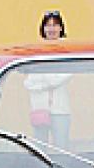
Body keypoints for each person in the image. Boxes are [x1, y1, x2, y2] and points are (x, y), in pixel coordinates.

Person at [24, 10, 72, 147]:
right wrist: (48, 79)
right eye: (48, 25)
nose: (51, 29)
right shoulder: (37, 50)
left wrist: (42, 76)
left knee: (61, 148)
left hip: (60, 109)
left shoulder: (67, 50)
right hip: (39, 107)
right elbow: (28, 83)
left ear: (61, 28)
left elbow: (60, 79)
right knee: (39, 149)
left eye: (55, 25)